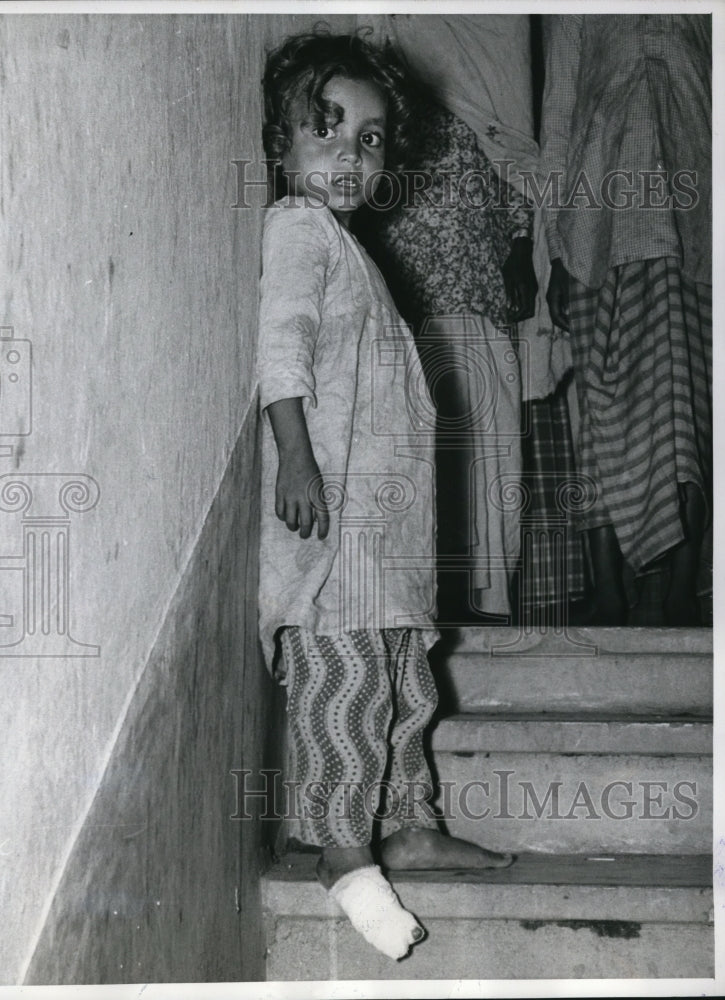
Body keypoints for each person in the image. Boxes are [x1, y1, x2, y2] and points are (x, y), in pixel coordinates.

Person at [257, 30, 512, 962]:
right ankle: (341, 849)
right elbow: (279, 352)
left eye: (368, 139)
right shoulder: (294, 230)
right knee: (346, 688)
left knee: (404, 681)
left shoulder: (351, 251)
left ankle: (406, 822)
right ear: (278, 146)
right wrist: (292, 457)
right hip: (334, 534)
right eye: (325, 130)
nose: (348, 155)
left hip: (386, 537)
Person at [356, 14, 547, 623]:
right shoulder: (378, 135)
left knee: (491, 459)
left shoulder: (472, 111)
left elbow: (515, 184)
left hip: (481, 307)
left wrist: (521, 251)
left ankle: (488, 605)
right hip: (409, 319)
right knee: (422, 463)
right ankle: (428, 604)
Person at [541, 14, 712, 625]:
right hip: (593, 237)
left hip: (694, 236)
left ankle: (678, 595)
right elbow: (559, 119)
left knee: (682, 417)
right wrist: (554, 253)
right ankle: (610, 592)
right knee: (601, 416)